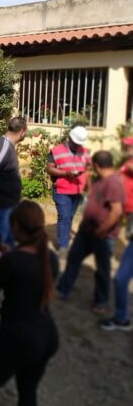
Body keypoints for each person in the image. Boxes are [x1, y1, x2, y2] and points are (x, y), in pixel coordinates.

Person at [0, 200, 59, 406]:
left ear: (17, 226)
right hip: (47, 336)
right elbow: (28, 274)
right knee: (27, 391)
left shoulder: (12, 261)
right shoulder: (50, 257)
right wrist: (10, 255)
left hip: (19, 337)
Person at [57, 150, 125, 315]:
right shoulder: (101, 180)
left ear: (96, 165)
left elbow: (116, 212)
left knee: (102, 269)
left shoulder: (114, 183)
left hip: (102, 234)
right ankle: (63, 290)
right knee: (73, 259)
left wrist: (101, 231)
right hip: (86, 231)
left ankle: (101, 302)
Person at [100, 137, 133, 331]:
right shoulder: (124, 167)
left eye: (129, 147)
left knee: (121, 279)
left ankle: (121, 318)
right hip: (128, 220)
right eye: (125, 146)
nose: (126, 149)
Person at [0, 116, 27, 247]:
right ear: (22, 132)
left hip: (7, 204)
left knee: (7, 241)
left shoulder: (5, 144)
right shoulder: (4, 147)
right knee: (1, 243)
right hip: (2, 205)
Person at [47, 126, 91, 251]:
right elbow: (49, 168)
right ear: (70, 138)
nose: (78, 146)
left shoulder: (85, 151)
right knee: (64, 217)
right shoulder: (56, 151)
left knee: (70, 216)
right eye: (76, 143)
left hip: (78, 190)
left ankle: (65, 238)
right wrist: (66, 174)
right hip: (62, 190)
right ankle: (63, 247)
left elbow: (89, 168)